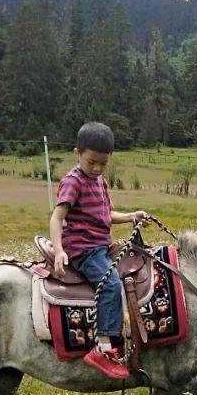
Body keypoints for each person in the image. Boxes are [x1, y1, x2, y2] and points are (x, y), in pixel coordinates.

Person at [50, 122, 148, 380]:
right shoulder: (73, 182)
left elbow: (106, 214)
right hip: (83, 249)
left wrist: (130, 216)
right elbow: (57, 217)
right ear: (77, 153)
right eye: (91, 161)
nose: (96, 168)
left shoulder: (100, 181)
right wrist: (60, 250)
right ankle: (102, 347)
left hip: (102, 246)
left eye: (103, 164)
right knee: (111, 284)